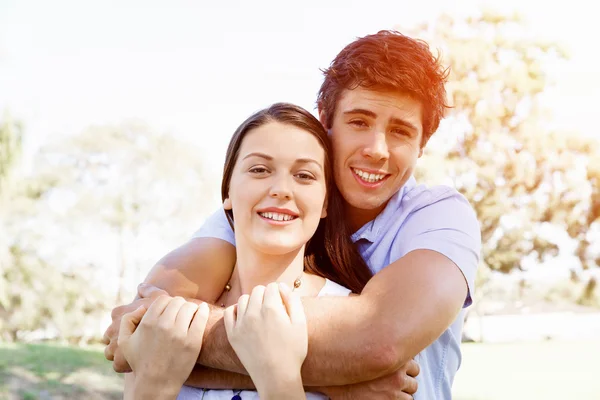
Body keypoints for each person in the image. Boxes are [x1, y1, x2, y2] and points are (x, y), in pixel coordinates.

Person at [104, 30, 481, 399]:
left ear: (422, 147)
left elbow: (377, 345)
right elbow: (132, 341)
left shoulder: (440, 217)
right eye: (359, 122)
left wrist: (172, 335)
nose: (377, 149)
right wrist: (338, 382)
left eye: (400, 131)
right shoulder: (267, 209)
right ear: (325, 121)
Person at [120, 103, 374, 399]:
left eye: (304, 175)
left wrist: (279, 377)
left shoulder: (351, 322)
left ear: (326, 203)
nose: (282, 189)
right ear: (227, 191)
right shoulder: (166, 316)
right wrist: (155, 384)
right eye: (259, 170)